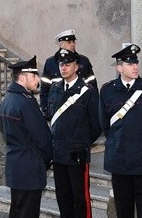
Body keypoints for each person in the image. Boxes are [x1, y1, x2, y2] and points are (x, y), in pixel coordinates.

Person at [99, 44, 142, 218]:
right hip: (119, 159)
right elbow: (104, 123)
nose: (135, 66)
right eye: (130, 63)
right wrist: (117, 141)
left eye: (136, 63)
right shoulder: (107, 90)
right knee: (123, 207)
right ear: (119, 67)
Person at [47, 49, 102, 218]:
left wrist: (82, 142)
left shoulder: (88, 91)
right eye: (61, 64)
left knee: (80, 197)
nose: (63, 68)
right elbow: (52, 116)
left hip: (77, 153)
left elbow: (96, 124)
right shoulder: (55, 89)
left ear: (76, 67)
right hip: (58, 153)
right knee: (62, 196)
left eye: (68, 64)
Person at [0, 56, 53, 218]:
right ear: (22, 77)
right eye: (34, 76)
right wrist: (45, 159)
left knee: (17, 211)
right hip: (29, 169)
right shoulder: (26, 103)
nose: (38, 79)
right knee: (27, 213)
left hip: (16, 168)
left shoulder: (8, 100)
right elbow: (43, 138)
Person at [40, 29, 96, 119]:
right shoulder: (50, 62)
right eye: (69, 42)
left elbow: (93, 86)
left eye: (73, 41)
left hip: (79, 111)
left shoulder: (83, 61)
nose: (73, 44)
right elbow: (44, 89)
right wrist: (46, 111)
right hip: (57, 110)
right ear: (61, 44)